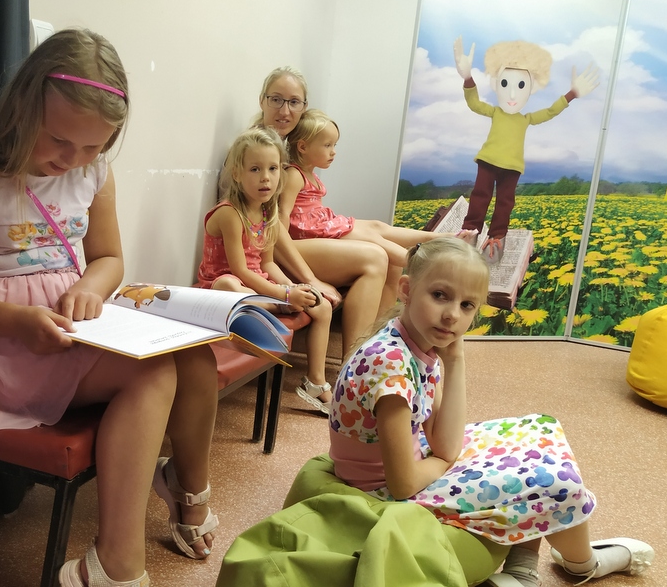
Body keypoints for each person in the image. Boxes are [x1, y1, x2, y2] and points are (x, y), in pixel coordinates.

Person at [0, 28, 218, 587]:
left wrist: (90, 286)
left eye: (92, 146)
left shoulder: (93, 171)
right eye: (59, 139)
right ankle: (113, 569)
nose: (72, 158)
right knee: (152, 373)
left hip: (68, 325)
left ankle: (186, 491)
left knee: (195, 354)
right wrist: (20, 323)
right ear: (24, 103)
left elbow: (109, 257)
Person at [328, 237, 654, 587]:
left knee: (539, 429)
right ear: (406, 289)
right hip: (383, 493)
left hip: (418, 460)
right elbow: (405, 482)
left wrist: (455, 359)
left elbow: (443, 438)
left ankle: (522, 572)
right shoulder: (391, 365)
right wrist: (445, 460)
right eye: (440, 295)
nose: (452, 315)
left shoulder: (416, 346)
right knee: (554, 480)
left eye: (467, 305)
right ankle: (581, 565)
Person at [250, 67, 392, 357]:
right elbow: (271, 227)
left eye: (294, 102)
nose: (285, 110)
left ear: (304, 107)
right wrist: (310, 279)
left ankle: (374, 352)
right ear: (262, 100)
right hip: (264, 252)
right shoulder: (257, 149)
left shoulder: (285, 147)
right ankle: (353, 364)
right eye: (276, 99)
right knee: (375, 257)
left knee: (390, 260)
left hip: (282, 245)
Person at [198, 127, 335, 414]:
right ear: (237, 174)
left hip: (259, 288)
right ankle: (273, 305)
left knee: (322, 307)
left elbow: (267, 264)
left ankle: (315, 381)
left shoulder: (267, 213)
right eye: (255, 169)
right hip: (224, 285)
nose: (265, 177)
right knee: (228, 285)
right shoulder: (229, 213)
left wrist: (294, 289)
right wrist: (284, 296)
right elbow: (240, 270)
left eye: (273, 169)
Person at [454, 36, 599, 263]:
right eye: (505, 84)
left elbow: (550, 112)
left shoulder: (526, 119)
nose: (513, 94)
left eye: (521, 86)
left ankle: (496, 238)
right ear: (496, 84)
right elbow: (473, 103)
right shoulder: (495, 112)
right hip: (488, 161)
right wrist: (467, 78)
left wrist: (572, 94)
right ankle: (470, 233)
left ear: (531, 89)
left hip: (512, 167)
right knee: (480, 196)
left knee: (505, 203)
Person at [281, 109, 473, 270]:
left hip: (323, 223)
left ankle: (439, 237)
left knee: (377, 226)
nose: (334, 151)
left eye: (334, 145)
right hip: (312, 231)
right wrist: (281, 246)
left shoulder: (310, 175)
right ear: (303, 147)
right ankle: (425, 262)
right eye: (327, 145)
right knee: (370, 237)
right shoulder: (294, 175)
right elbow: (283, 213)